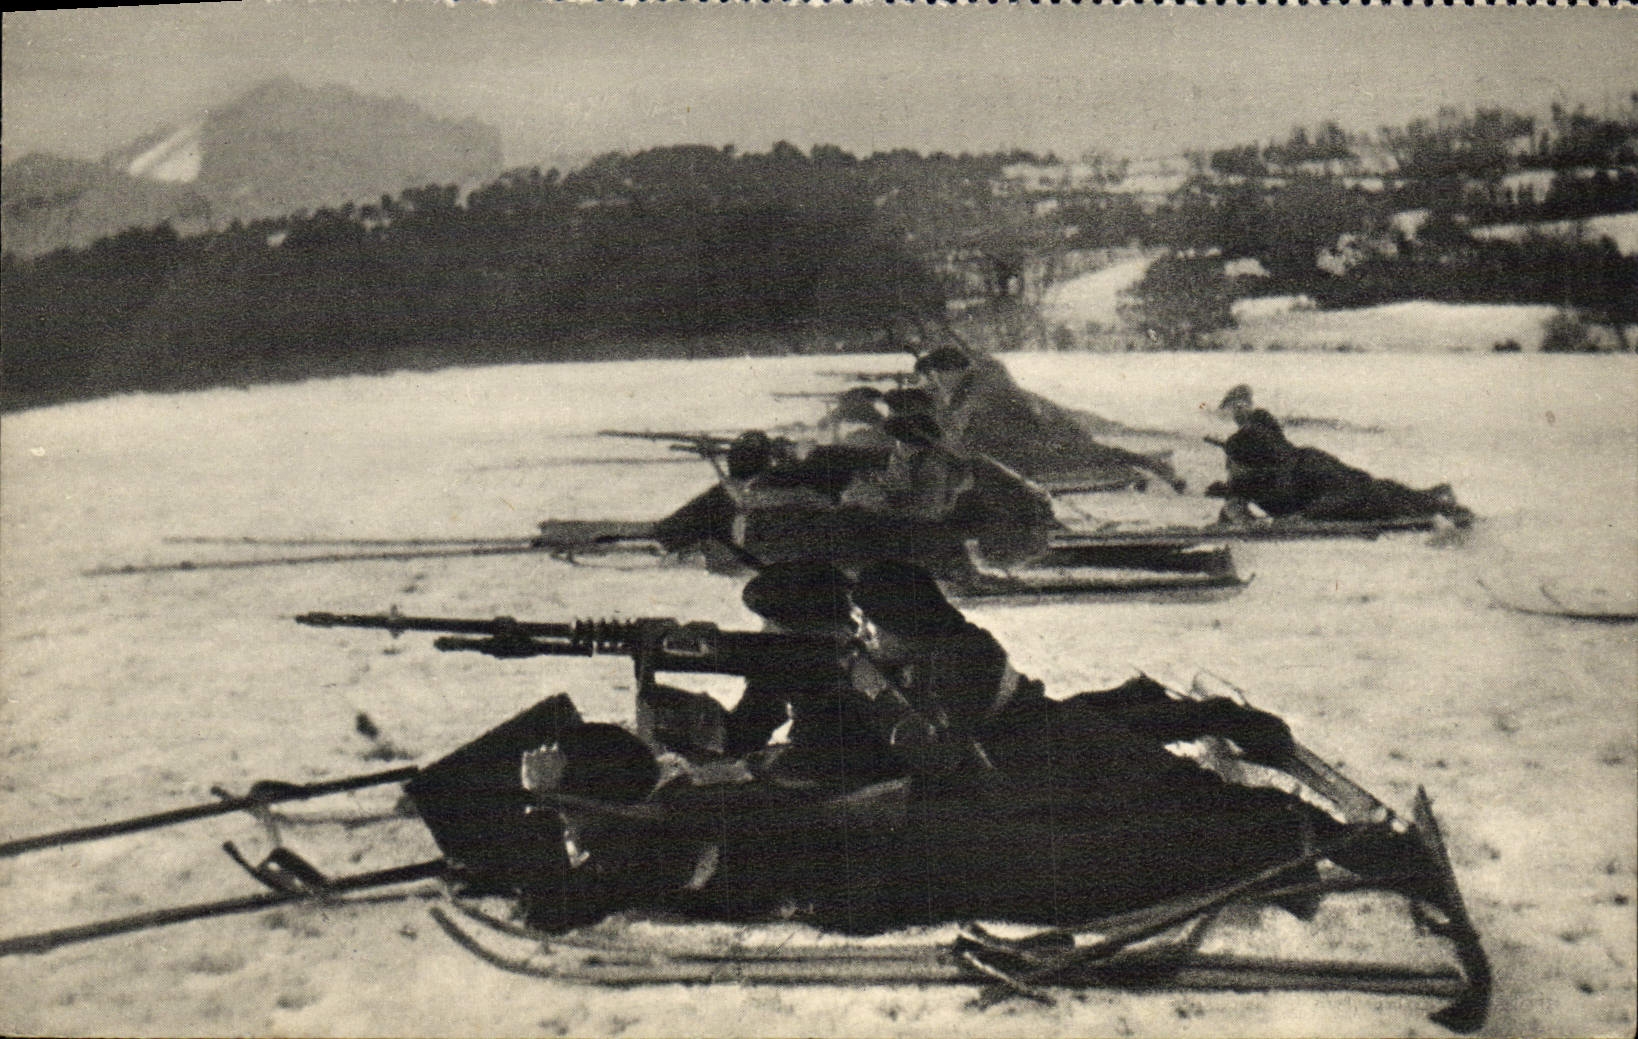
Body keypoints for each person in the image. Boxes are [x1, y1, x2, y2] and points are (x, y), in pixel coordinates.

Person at [724, 561, 904, 788]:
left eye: (772, 624)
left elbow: (821, 761)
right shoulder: (802, 663)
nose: (765, 633)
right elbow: (748, 730)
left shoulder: (860, 669)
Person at [1208, 408, 1471, 524]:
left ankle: (1441, 502)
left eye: (1235, 464)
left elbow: (1350, 494)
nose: (1231, 470)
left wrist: (1305, 516)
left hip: (1362, 497)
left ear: (1256, 463)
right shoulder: (1253, 478)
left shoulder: (1306, 464)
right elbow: (1237, 506)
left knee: (1394, 500)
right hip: (1344, 496)